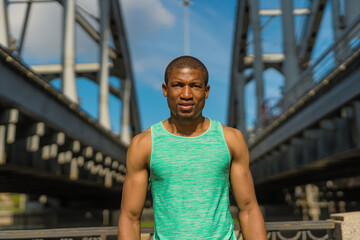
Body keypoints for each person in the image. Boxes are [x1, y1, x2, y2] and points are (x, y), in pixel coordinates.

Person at [118, 56, 267, 240]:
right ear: (165, 89)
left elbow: (249, 210)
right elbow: (130, 218)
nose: (186, 94)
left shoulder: (231, 140)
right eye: (178, 85)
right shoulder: (144, 144)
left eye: (195, 86)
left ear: (206, 91)